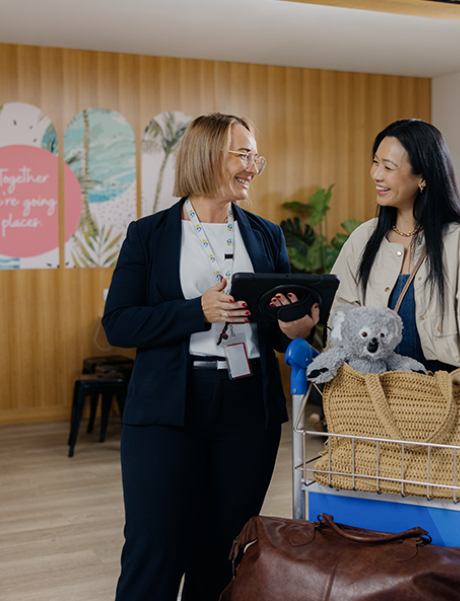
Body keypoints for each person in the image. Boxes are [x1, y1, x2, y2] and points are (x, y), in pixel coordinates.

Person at [102, 113, 317, 601]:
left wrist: (295, 328)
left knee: (223, 553)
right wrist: (195, 311)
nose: (252, 167)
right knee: (153, 549)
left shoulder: (265, 235)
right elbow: (119, 323)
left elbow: (277, 331)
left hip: (247, 408)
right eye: (243, 154)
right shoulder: (149, 234)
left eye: (254, 156)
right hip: (167, 409)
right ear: (206, 156)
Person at [326, 118, 460, 404]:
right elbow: (340, 317)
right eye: (376, 163)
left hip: (447, 396)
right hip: (372, 395)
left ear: (422, 178)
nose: (376, 174)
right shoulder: (362, 239)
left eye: (389, 167)